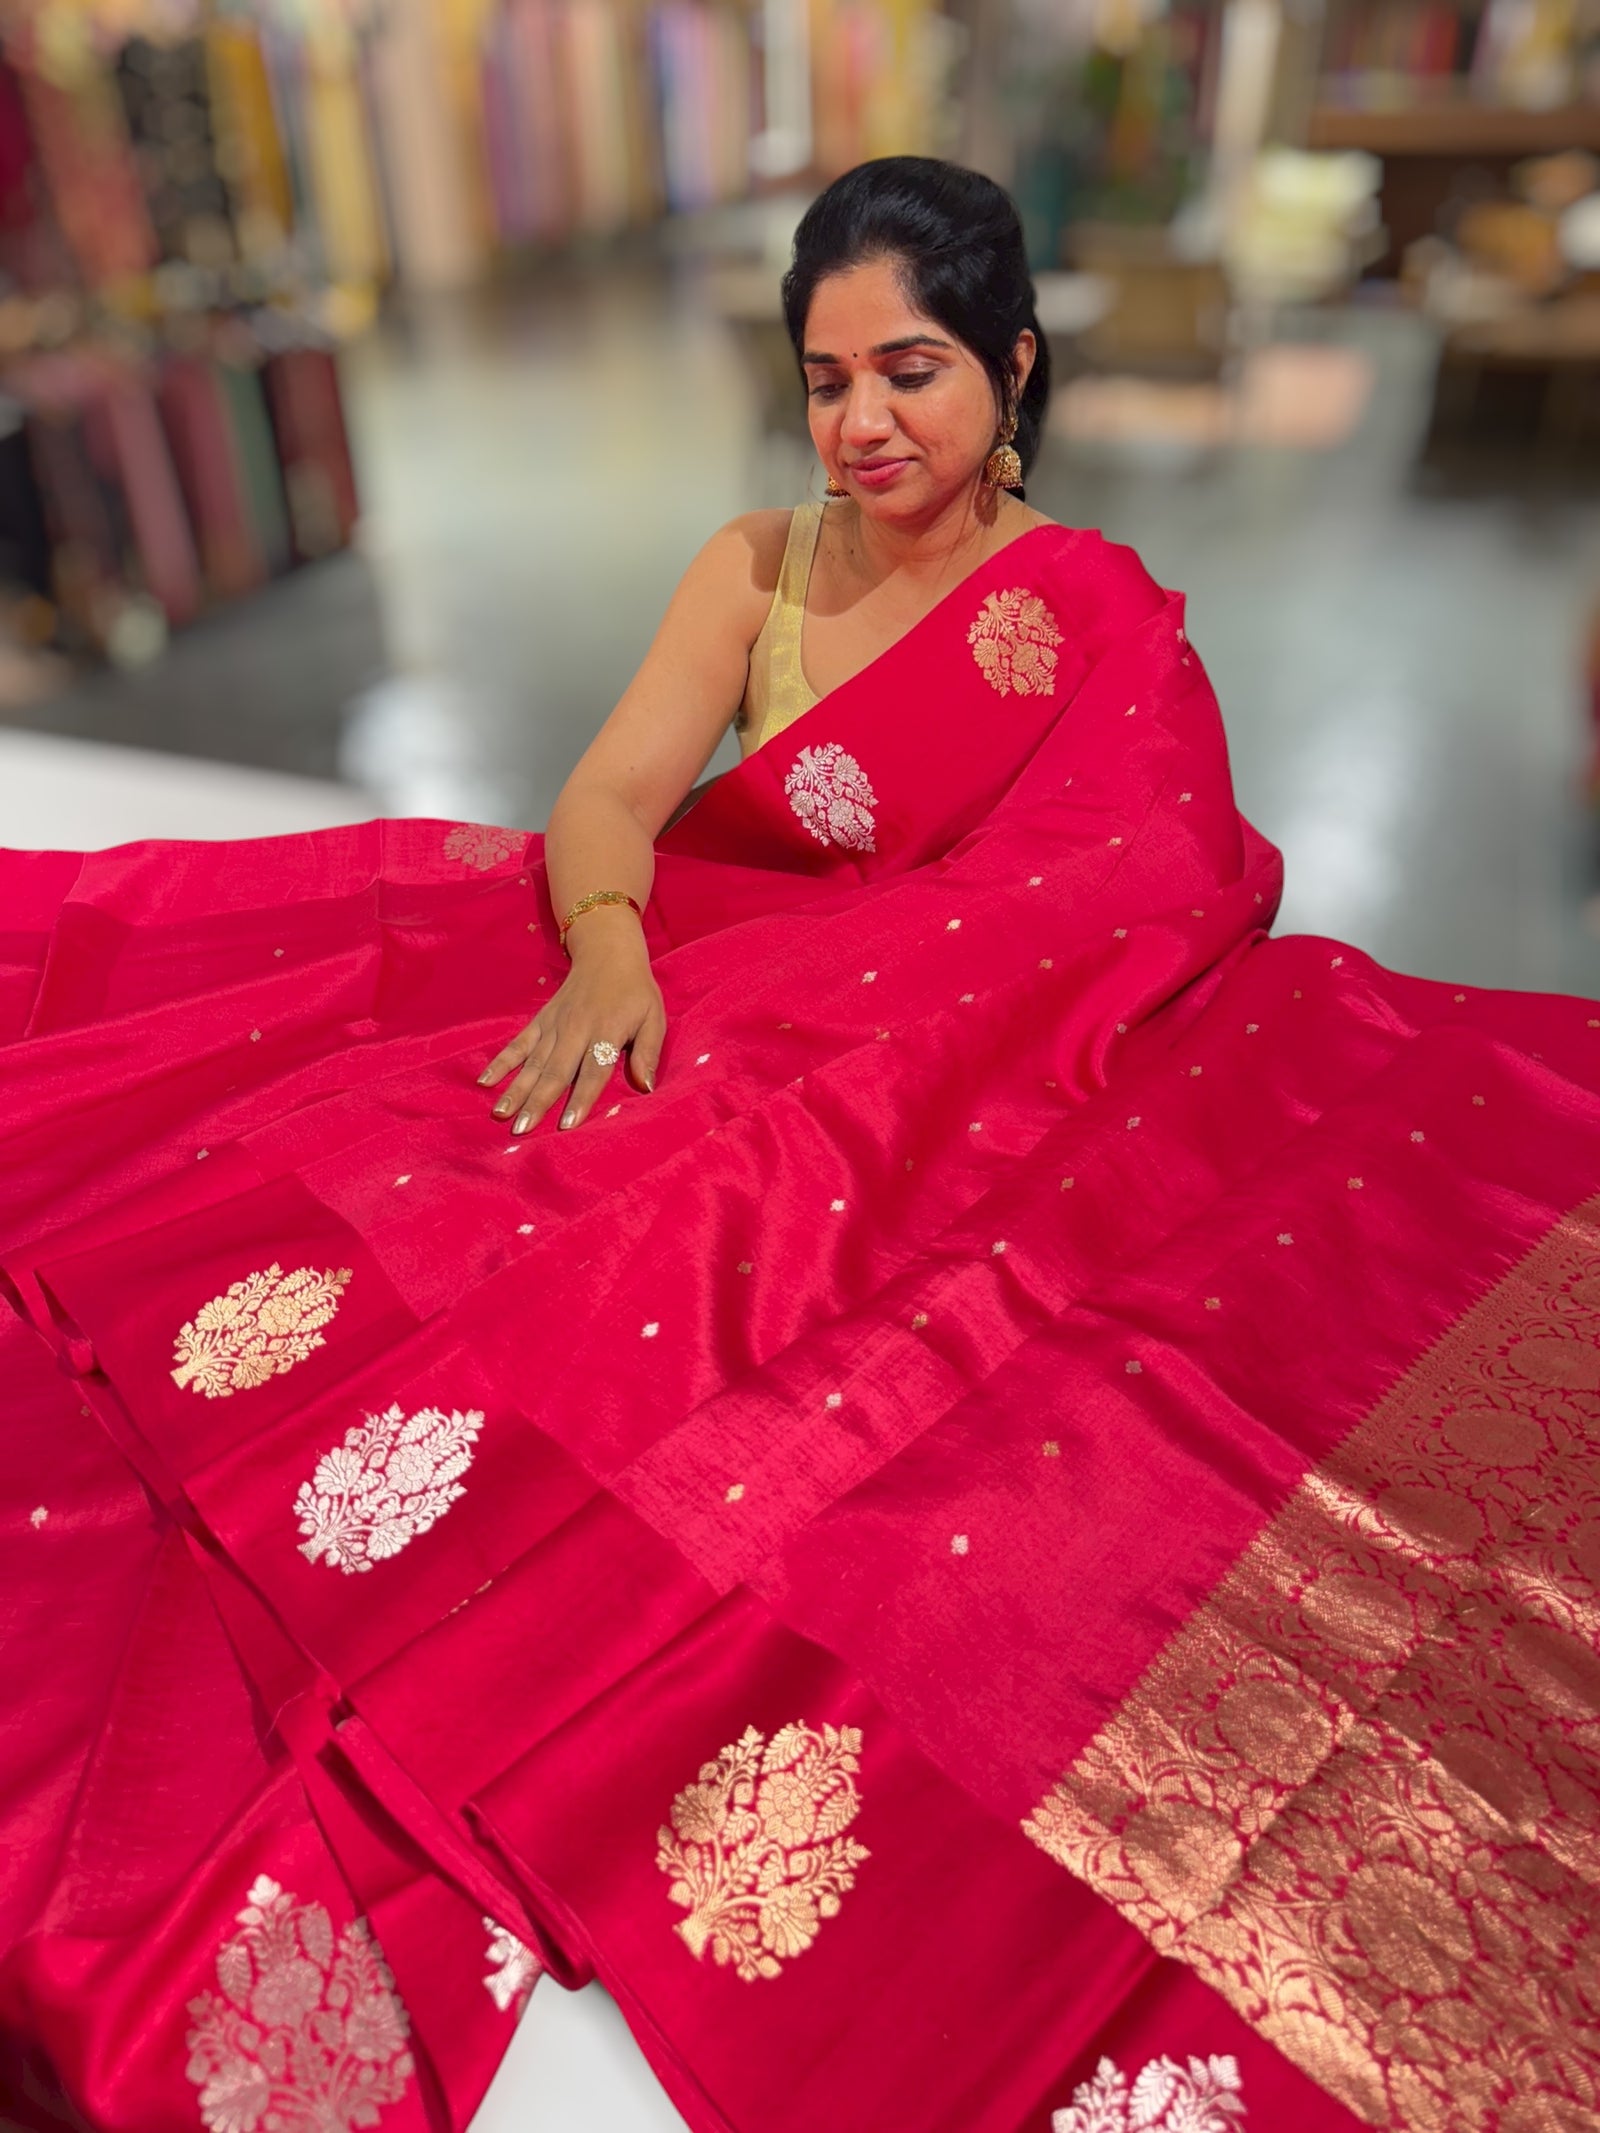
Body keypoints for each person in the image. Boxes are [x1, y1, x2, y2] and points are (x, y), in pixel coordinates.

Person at [1, 156, 1596, 2133]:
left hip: (965, 1080)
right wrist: (604, 946)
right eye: (825, 377)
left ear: (1012, 365)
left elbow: (1155, 883)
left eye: (910, 369)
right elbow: (606, 798)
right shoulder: (756, 567)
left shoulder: (1086, 615)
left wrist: (915, 1023)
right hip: (724, 1007)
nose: (862, 424)